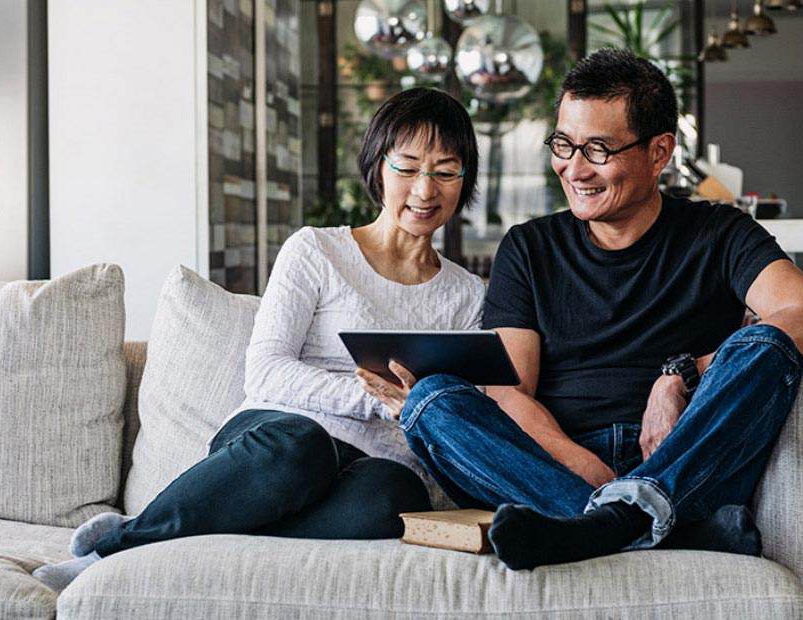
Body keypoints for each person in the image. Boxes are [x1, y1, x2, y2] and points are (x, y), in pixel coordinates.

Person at [359, 49, 803, 570]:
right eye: (563, 145)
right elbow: (510, 390)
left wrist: (681, 374)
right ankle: (650, 523)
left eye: (598, 150)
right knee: (431, 400)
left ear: (659, 153)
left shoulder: (719, 233)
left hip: (685, 450)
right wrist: (584, 467)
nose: (574, 168)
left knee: (766, 344)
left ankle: (597, 527)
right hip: (555, 464)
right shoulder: (529, 247)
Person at [33, 87, 486, 591]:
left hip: (367, 469)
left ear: (463, 182)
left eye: (445, 171)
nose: (425, 190)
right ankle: (115, 549)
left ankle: (196, 525)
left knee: (393, 497)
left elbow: (457, 403)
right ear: (378, 167)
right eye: (407, 167)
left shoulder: (467, 295)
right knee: (305, 445)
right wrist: (376, 398)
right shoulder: (316, 251)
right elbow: (266, 369)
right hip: (275, 441)